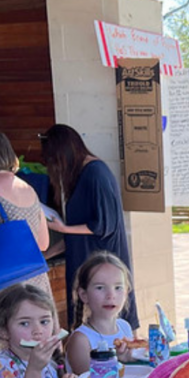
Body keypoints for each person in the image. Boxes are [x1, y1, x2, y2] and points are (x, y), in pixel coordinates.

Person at [40, 124, 139, 330]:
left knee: (109, 330)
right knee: (87, 329)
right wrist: (45, 255)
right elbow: (77, 235)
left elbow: (104, 225)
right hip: (86, 265)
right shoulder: (84, 174)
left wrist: (63, 228)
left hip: (101, 266)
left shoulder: (96, 173)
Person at [0, 131, 53, 366]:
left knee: (7, 361)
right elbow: (43, 244)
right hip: (36, 285)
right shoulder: (29, 190)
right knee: (36, 358)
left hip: (3, 290)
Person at [0, 283, 70, 378]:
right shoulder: (1, 366)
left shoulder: (49, 358)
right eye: (24, 323)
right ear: (3, 331)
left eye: (44, 322)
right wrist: (35, 369)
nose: (38, 331)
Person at [66, 251, 143, 375]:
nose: (110, 295)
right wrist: (115, 360)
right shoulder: (81, 340)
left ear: (126, 292)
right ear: (84, 295)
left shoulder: (124, 326)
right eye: (100, 287)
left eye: (118, 287)